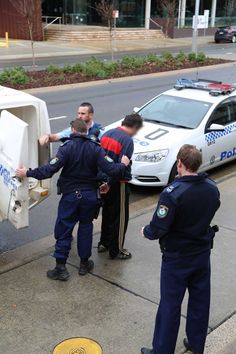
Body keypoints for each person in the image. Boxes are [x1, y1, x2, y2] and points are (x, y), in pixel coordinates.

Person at [16, 119, 130, 281]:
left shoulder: (66, 148)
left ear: (72, 130)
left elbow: (49, 170)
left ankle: (61, 268)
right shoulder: (96, 149)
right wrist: (123, 164)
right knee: (85, 227)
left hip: (70, 196)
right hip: (90, 197)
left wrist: (26, 172)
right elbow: (112, 170)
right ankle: (84, 264)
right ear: (86, 131)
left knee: (64, 230)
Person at [141, 144, 221, 354]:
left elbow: (158, 227)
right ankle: (196, 343)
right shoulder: (211, 188)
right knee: (200, 301)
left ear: (180, 163)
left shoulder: (172, 193)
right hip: (202, 254)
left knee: (170, 306)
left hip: (177, 258)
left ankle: (162, 350)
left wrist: (146, 232)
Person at [98, 113, 143, 260]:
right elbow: (121, 166)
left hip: (103, 181)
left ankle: (103, 242)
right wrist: (110, 183)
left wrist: (104, 182)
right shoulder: (127, 141)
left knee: (107, 213)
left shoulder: (107, 133)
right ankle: (116, 249)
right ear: (135, 127)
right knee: (120, 217)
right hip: (118, 183)